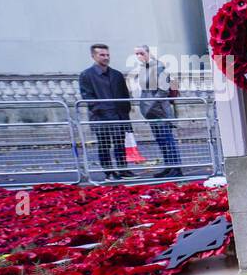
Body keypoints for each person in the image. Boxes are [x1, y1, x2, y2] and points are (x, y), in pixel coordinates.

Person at [78, 43, 134, 180]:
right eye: (102, 55)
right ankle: (109, 172)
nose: (106, 57)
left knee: (120, 144)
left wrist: (125, 115)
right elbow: (88, 97)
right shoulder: (86, 75)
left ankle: (123, 169)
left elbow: (125, 96)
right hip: (101, 117)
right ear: (93, 56)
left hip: (119, 116)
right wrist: (103, 111)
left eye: (107, 55)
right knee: (104, 145)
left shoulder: (117, 75)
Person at [131, 45, 182, 177]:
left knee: (167, 140)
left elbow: (163, 91)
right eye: (136, 54)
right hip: (151, 112)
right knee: (161, 141)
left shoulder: (159, 67)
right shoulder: (144, 69)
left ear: (148, 53)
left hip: (160, 111)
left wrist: (150, 105)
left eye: (141, 53)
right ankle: (169, 167)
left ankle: (176, 169)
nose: (139, 56)